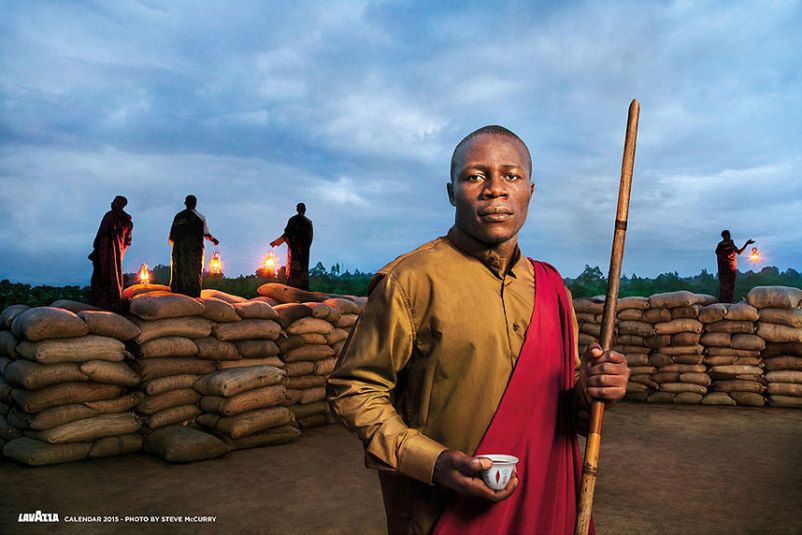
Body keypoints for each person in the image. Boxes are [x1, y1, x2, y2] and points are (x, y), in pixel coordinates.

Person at [327, 125, 630, 535]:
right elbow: (353, 390)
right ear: (452, 191)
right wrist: (433, 462)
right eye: (474, 176)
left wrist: (593, 390)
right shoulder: (410, 281)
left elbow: (563, 407)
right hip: (445, 511)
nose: (495, 190)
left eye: (511, 175)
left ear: (530, 191)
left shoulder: (551, 288)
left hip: (544, 503)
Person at [88, 195, 133, 313]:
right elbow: (128, 241)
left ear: (118, 204)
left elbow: (100, 234)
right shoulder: (127, 221)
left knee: (102, 274)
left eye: (114, 202)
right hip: (118, 253)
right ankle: (114, 300)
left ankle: (103, 302)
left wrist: (96, 249)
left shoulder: (109, 216)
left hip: (104, 252)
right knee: (115, 274)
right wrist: (121, 250)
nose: (112, 204)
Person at [168, 195, 219, 297]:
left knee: (178, 270)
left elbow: (171, 237)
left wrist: (178, 246)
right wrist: (214, 240)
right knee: (194, 272)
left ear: (185, 203)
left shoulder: (178, 217)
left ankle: (177, 294)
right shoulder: (200, 217)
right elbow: (206, 234)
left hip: (179, 251)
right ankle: (193, 296)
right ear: (195, 204)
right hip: (194, 251)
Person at [270, 202, 313, 290]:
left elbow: (286, 234)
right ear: (305, 210)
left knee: (294, 268)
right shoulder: (308, 222)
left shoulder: (293, 220)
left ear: (297, 209)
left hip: (295, 250)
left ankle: (294, 285)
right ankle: (303, 285)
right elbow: (310, 238)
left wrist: (276, 242)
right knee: (302, 267)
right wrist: (305, 247)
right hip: (303, 251)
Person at [715, 230, 754, 303]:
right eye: (728, 235)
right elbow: (739, 252)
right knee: (727, 285)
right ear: (726, 236)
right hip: (728, 268)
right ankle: (727, 301)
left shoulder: (721, 245)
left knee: (725, 285)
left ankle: (725, 300)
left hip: (724, 268)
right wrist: (746, 244)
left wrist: (746, 244)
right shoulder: (729, 243)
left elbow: (717, 253)